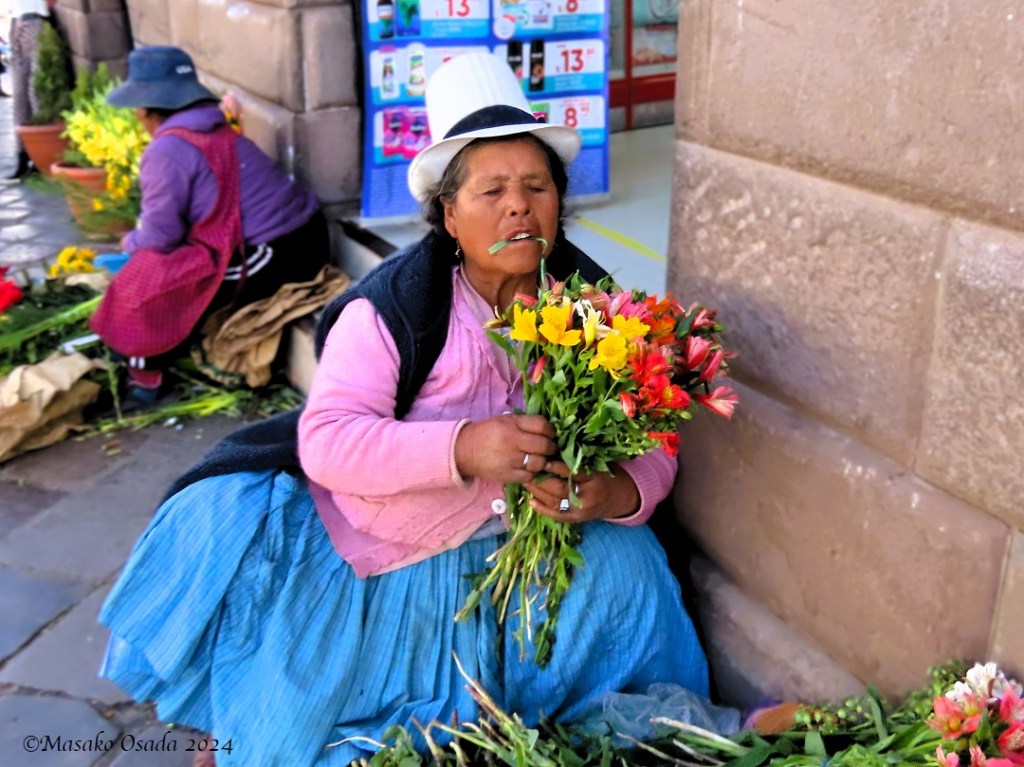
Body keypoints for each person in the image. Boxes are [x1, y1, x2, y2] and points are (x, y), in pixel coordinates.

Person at [98, 52, 714, 767]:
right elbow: (326, 440)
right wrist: (461, 448)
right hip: (398, 545)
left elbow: (654, 429)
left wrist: (616, 490)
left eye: (537, 186)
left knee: (632, 569)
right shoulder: (395, 309)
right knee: (309, 709)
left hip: (534, 537)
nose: (519, 205)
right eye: (492, 191)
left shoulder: (593, 304)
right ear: (448, 214)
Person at [89, 46, 329, 404]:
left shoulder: (167, 150)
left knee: (148, 281)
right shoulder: (212, 125)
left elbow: (161, 237)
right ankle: (144, 348)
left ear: (144, 110)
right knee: (162, 269)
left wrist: (130, 243)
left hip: (279, 251)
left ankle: (146, 373)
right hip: (310, 234)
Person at [3, 0, 50, 179]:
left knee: (31, 92)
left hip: (29, 18)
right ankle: (26, 156)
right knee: (24, 93)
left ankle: (33, 156)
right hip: (23, 19)